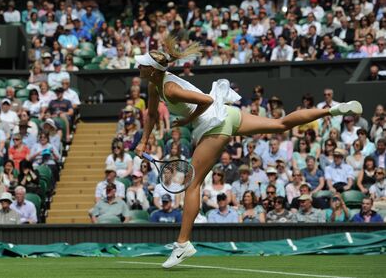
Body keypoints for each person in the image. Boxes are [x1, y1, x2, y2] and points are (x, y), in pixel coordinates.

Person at [134, 35, 362, 268]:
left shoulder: (170, 89)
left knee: (192, 185)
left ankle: (182, 245)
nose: (138, 66)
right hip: (229, 115)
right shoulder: (155, 85)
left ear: (153, 70)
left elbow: (206, 101)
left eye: (142, 64)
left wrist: (186, 121)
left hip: (215, 124)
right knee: (280, 124)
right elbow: (152, 115)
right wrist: (143, 142)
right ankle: (332, 111)